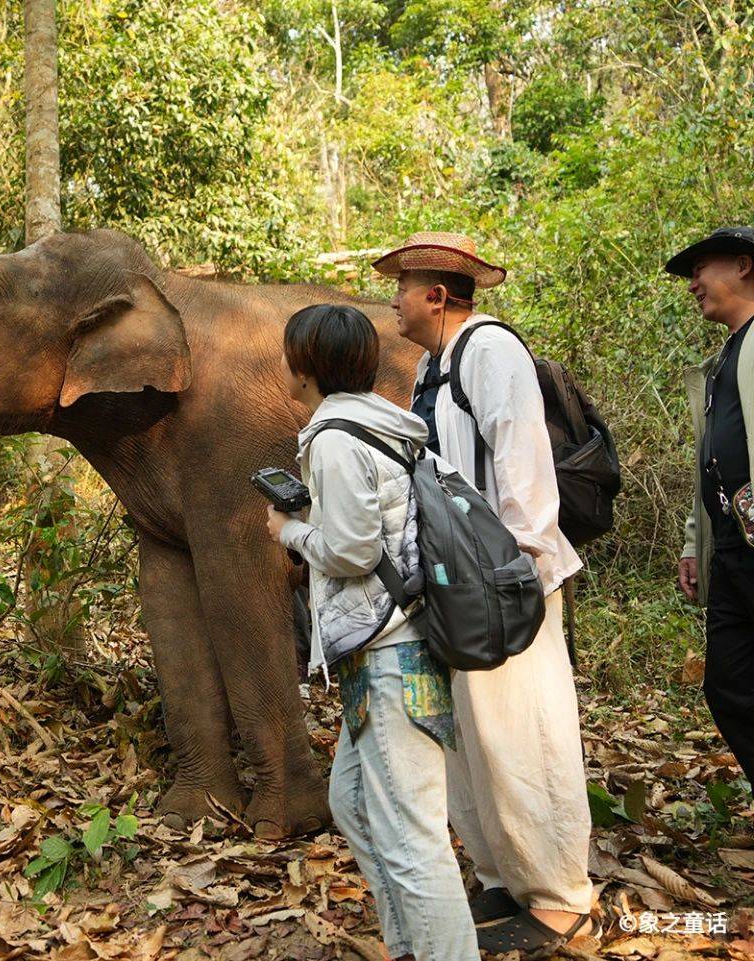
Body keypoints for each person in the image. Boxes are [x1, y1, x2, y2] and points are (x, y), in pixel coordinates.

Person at [375, 233, 595, 953]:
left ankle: (562, 897)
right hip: (457, 579)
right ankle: (502, 874)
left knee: (524, 732)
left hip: (505, 580)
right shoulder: (431, 367)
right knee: (473, 740)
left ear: (437, 294)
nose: (395, 301)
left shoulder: (492, 351)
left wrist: (522, 566)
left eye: (403, 287)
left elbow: (521, 453)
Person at [266, 305, 475, 961]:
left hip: (392, 651)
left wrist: (290, 531)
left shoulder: (332, 437)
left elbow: (354, 550)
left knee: (413, 835)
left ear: (306, 366)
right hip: (396, 643)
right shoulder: (386, 424)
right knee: (352, 803)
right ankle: (410, 945)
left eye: (290, 355)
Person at [670, 226, 754, 785]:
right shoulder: (723, 360)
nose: (694, 283)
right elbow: (712, 458)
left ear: (745, 265)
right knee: (728, 686)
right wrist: (693, 541)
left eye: (703, 268)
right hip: (731, 549)